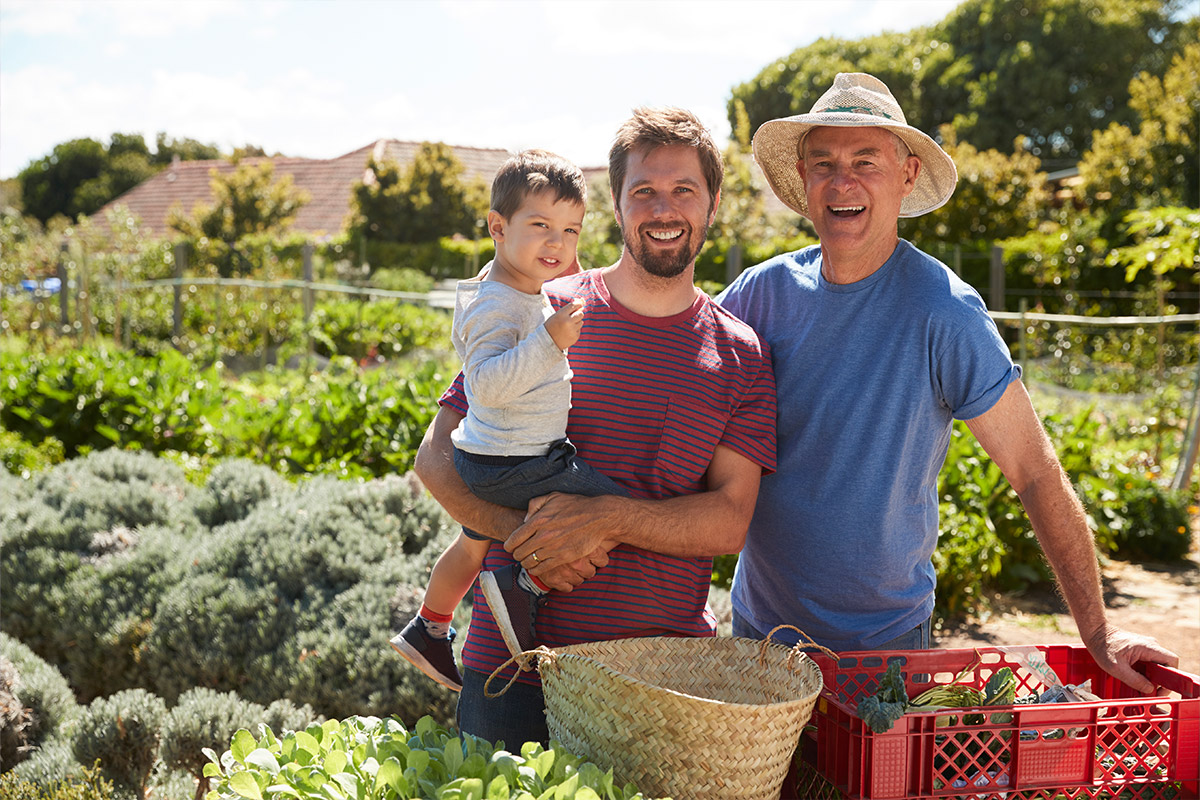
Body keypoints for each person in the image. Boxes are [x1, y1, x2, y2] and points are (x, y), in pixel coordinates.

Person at [717, 72, 1178, 691]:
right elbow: (674, 387)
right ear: (802, 178)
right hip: (759, 633)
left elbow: (1034, 470)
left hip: (884, 648)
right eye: (822, 161)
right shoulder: (758, 296)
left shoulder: (944, 312)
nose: (841, 180)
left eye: (865, 160)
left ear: (907, 175)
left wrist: (1099, 632)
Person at [413, 107, 778, 746]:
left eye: (683, 190)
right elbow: (437, 459)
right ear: (616, 202)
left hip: (660, 680)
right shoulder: (543, 307)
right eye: (644, 191)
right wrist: (524, 533)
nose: (663, 208)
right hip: (515, 674)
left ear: (713, 204)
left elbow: (731, 519)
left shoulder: (739, 353)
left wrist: (606, 519)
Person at [391, 150, 630, 691]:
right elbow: (489, 385)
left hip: (493, 455)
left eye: (570, 231)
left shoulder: (508, 286)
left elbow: (537, 269)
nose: (558, 244)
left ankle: (428, 626)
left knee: (472, 544)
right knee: (611, 509)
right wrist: (549, 342)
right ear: (497, 228)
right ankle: (522, 583)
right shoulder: (499, 306)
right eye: (541, 226)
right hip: (516, 460)